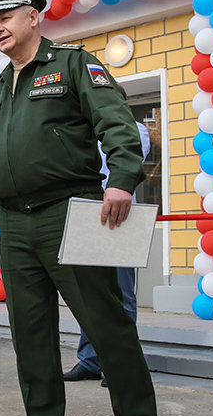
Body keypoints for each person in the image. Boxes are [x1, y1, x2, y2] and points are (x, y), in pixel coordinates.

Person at [0, 0, 158, 416]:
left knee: (106, 327)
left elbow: (116, 123)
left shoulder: (73, 64)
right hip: (14, 225)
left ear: (34, 17)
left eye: (6, 17)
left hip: (72, 211)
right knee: (30, 337)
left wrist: (122, 180)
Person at [65, 118, 151, 386]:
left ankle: (121, 365)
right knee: (89, 293)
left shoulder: (134, 128)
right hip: (86, 215)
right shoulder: (82, 128)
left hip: (120, 217)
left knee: (121, 294)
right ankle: (90, 361)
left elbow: (125, 162)